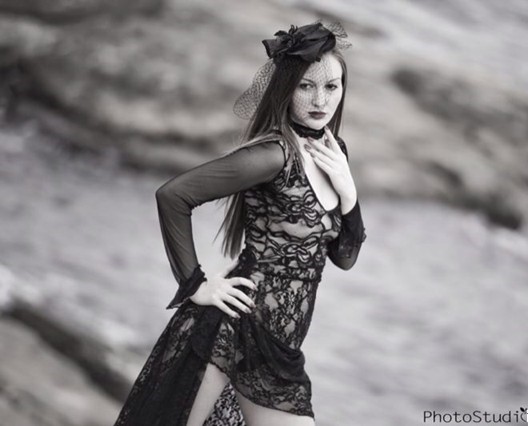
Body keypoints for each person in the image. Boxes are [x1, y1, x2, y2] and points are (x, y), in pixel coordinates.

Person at [113, 21, 367, 426]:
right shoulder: (273, 155)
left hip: (279, 354)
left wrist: (349, 195)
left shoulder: (335, 154)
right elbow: (174, 196)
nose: (321, 100)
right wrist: (196, 285)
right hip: (231, 329)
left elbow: (345, 258)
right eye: (306, 86)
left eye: (331, 87)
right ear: (286, 89)